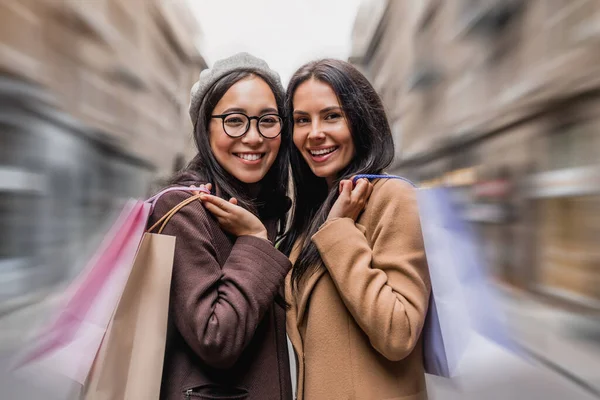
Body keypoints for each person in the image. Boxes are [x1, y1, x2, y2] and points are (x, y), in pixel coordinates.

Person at [280, 59, 431, 400]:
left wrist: (339, 229)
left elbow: (399, 332)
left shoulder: (392, 198)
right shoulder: (314, 215)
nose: (314, 132)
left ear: (361, 121)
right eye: (302, 120)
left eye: (332, 116)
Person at [149, 53, 293, 400]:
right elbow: (215, 338)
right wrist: (256, 240)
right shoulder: (183, 209)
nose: (254, 137)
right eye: (234, 120)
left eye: (267, 120)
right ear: (206, 126)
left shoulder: (271, 210)